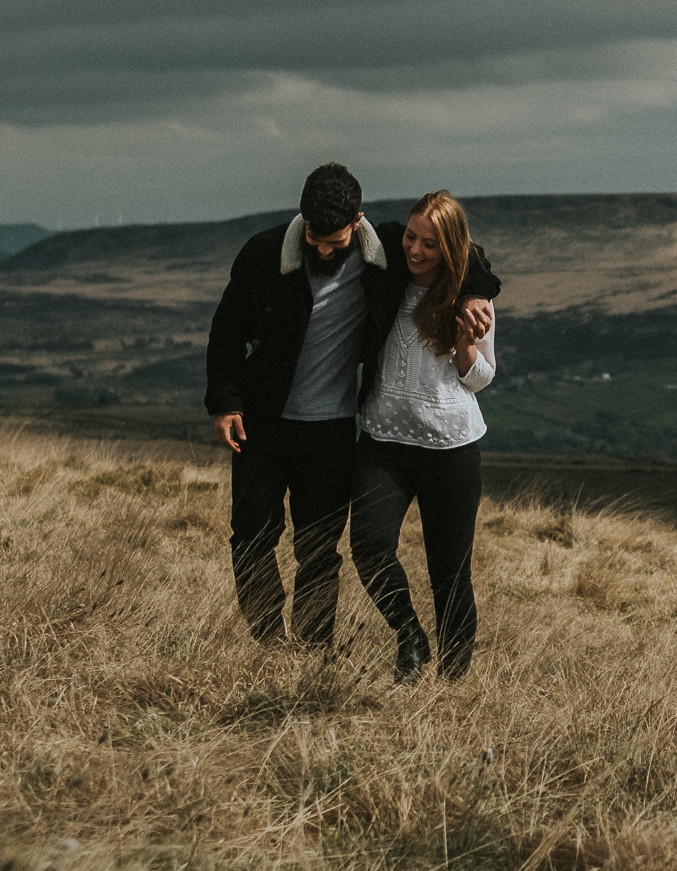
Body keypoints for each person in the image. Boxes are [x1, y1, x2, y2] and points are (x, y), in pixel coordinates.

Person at [204, 164, 498, 651]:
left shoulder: (382, 254)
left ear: (358, 222)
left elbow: (458, 250)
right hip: (262, 426)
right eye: (315, 238)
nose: (322, 249)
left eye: (334, 242)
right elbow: (227, 329)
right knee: (251, 540)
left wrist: (474, 291)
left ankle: (315, 650)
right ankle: (272, 645)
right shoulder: (263, 253)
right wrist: (225, 402)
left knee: (318, 549)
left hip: (332, 433)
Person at [350, 190, 496, 682]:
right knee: (369, 546)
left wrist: (465, 349)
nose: (415, 250)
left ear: (450, 248)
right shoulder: (388, 276)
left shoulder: (471, 302)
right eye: (412, 237)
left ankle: (451, 686)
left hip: (450, 450)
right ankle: (409, 635)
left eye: (430, 244)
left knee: (450, 576)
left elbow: (482, 379)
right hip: (383, 442)